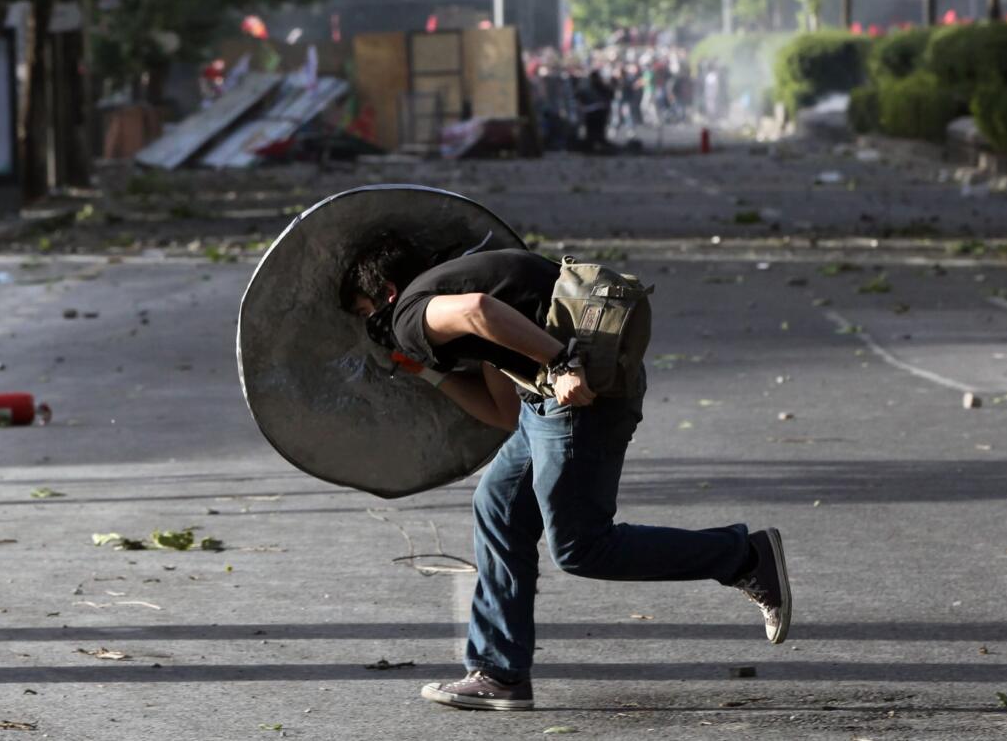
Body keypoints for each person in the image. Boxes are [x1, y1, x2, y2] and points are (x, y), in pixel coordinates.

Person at [339, 235, 792, 711]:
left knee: (583, 548)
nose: (367, 326)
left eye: (363, 310)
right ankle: (500, 672)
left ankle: (743, 556)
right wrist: (429, 374)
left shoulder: (412, 315)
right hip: (550, 401)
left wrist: (559, 361)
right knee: (499, 507)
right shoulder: (465, 272)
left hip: (577, 399)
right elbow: (501, 411)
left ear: (387, 293)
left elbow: (476, 310)